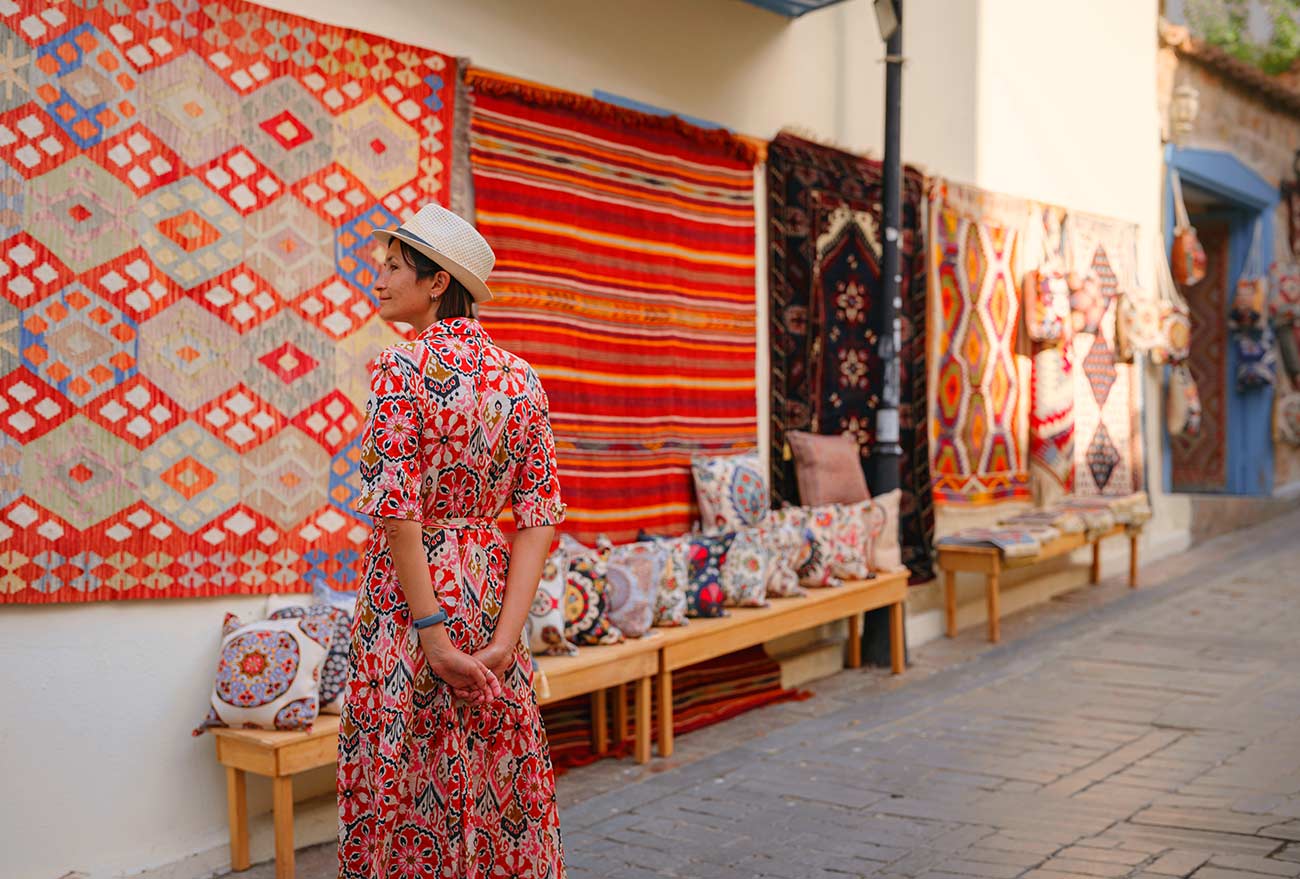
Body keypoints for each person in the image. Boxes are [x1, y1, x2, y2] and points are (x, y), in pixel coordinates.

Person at [337, 203, 567, 878]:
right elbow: (539, 515)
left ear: (438, 282)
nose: (376, 279)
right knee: (492, 775)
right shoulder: (522, 378)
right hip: (490, 591)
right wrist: (505, 638)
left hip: (411, 601)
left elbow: (397, 512)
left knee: (404, 776)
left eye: (391, 266)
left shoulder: (399, 367)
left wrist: (432, 635)